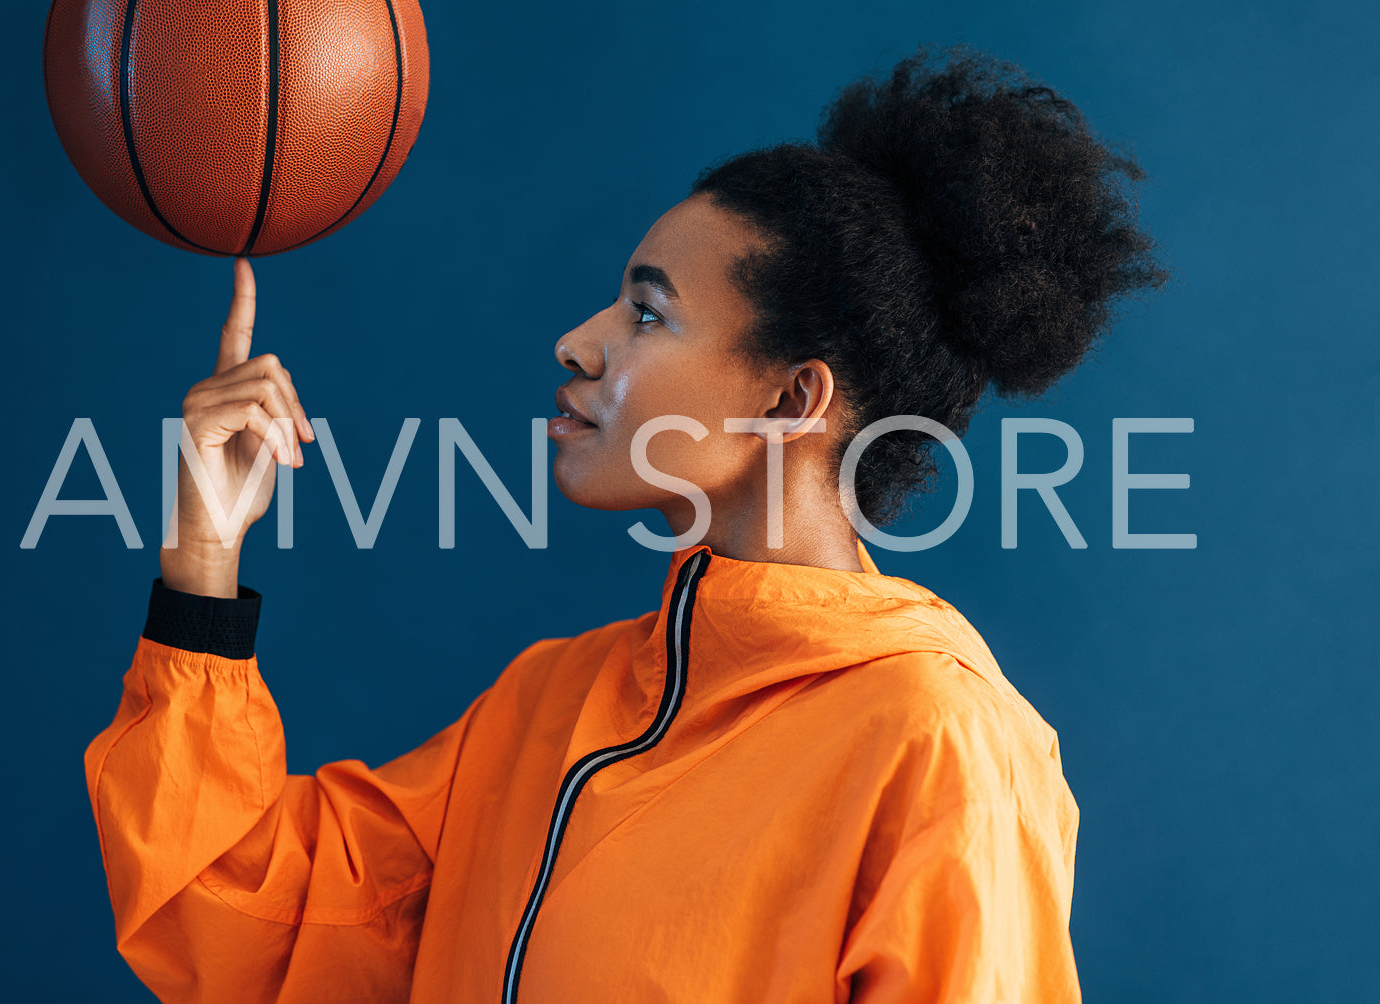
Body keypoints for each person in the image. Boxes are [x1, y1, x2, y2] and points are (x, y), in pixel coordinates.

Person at [85, 43, 1167, 1003]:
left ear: (792, 398)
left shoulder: (932, 740)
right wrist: (203, 563)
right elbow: (240, 929)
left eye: (646, 312)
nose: (576, 340)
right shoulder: (548, 705)